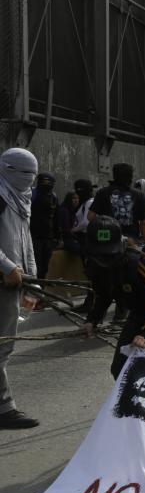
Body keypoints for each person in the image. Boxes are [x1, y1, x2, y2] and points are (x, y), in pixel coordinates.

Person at [82, 215, 145, 380]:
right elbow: (103, 295)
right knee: (120, 369)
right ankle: (129, 405)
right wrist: (92, 320)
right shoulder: (96, 265)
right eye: (99, 254)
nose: (104, 260)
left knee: (143, 370)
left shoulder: (137, 263)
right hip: (138, 313)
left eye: (108, 254)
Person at [0, 148, 40, 429]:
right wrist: (6, 267)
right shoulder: (1, 197)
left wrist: (32, 279)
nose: (28, 179)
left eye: (32, 175)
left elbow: (24, 241)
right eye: (24, 173)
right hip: (4, 279)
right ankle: (4, 408)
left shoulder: (19, 199)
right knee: (2, 346)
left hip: (15, 281)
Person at [89, 163, 145, 242]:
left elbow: (90, 217)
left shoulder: (102, 192)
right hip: (130, 239)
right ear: (130, 176)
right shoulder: (139, 195)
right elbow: (144, 222)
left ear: (114, 175)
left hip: (105, 237)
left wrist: (103, 228)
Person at [29, 172, 58, 279]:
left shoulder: (53, 197)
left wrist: (57, 237)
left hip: (48, 237)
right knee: (36, 264)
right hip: (34, 236)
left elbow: (56, 218)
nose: (46, 184)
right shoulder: (33, 193)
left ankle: (41, 286)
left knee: (45, 265)